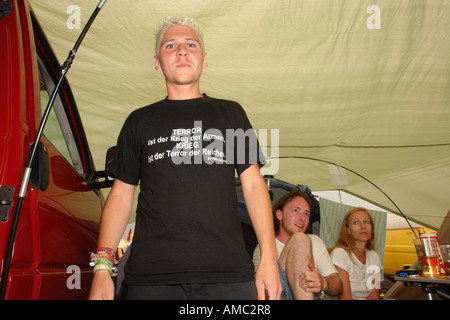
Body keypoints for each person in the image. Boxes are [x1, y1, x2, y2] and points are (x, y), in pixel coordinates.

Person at [89, 16, 281, 300]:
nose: (181, 50)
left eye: (190, 44)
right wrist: (103, 269)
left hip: (228, 277)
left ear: (204, 60)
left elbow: (253, 186)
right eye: (171, 45)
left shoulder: (231, 114)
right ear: (157, 62)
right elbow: (120, 196)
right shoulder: (138, 122)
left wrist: (269, 258)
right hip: (151, 280)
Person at [253, 190, 342, 300]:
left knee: (301, 239)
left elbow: (338, 286)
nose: (302, 218)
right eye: (295, 211)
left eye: (306, 214)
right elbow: (264, 293)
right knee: (299, 239)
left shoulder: (315, 241)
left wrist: (324, 283)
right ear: (279, 214)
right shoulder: (265, 247)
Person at [329, 207, 382, 300]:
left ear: (372, 228)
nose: (363, 226)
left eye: (366, 222)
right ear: (348, 230)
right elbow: (345, 298)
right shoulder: (340, 255)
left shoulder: (374, 257)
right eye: (356, 222)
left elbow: (373, 296)